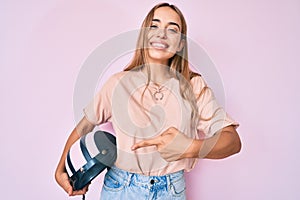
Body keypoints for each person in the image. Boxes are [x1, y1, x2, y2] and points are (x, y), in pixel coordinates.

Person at [55, 3, 241, 200]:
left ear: (180, 44)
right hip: (120, 188)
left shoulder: (193, 86)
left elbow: (233, 141)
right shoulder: (118, 83)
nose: (161, 34)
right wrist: (61, 168)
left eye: (172, 29)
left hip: (171, 191)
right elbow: (84, 126)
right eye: (154, 26)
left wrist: (191, 147)